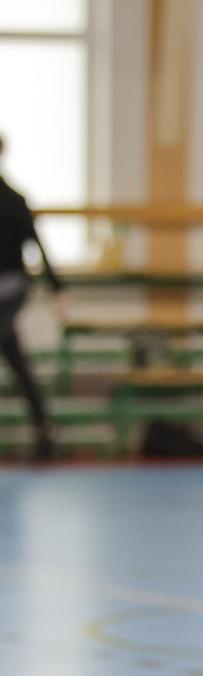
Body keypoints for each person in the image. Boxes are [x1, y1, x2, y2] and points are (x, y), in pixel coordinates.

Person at [0, 133, 65, 462]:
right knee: (16, 359)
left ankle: (44, 433)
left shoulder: (13, 200)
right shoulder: (15, 198)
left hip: (9, 289)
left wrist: (57, 288)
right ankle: (44, 432)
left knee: (15, 356)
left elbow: (38, 245)